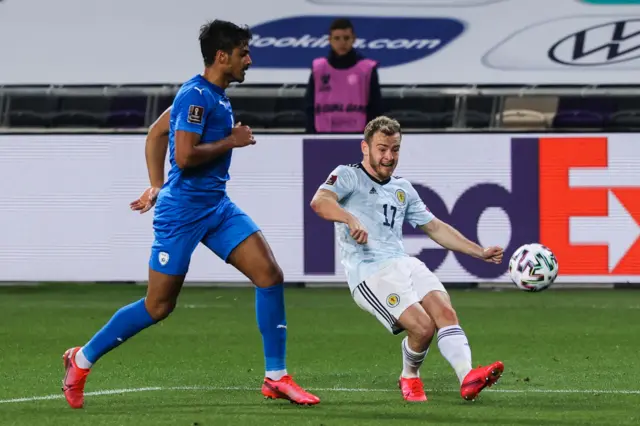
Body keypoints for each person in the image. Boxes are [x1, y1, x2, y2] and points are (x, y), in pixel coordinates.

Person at [61, 19, 320, 409]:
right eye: (243, 53)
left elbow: (154, 134)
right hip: (182, 214)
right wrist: (231, 140)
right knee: (158, 306)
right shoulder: (196, 96)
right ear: (222, 56)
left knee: (269, 275)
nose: (248, 60)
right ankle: (81, 360)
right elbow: (184, 154)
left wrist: (154, 184)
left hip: (216, 206)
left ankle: (276, 376)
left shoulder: (213, 94)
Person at [309, 116, 504, 403]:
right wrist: (350, 218)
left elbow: (435, 227)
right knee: (423, 328)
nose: (389, 157)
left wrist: (479, 252)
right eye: (382, 148)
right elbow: (320, 202)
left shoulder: (402, 189)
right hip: (369, 272)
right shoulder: (348, 175)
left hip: (403, 262)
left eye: (395, 149)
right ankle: (409, 376)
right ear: (365, 147)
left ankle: (467, 377)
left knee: (445, 312)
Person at [304, 18, 382, 134]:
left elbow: (376, 107)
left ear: (353, 39)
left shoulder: (366, 69)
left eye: (346, 38)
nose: (342, 42)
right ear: (329, 40)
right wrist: (311, 135)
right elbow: (309, 105)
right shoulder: (318, 68)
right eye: (337, 38)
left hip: (358, 135)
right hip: (322, 135)